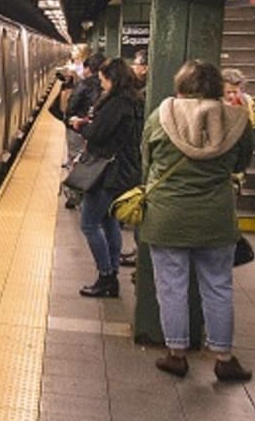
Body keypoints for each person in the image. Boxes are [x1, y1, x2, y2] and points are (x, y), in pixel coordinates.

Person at [140, 60, 254, 381]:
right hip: (216, 218)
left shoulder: (161, 116)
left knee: (171, 287)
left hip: (167, 216)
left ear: (180, 86)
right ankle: (224, 358)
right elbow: (240, 164)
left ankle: (176, 355)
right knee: (218, 287)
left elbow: (146, 160)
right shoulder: (237, 121)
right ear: (218, 87)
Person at [71, 57, 143, 297]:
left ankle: (106, 276)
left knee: (89, 224)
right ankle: (111, 275)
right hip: (123, 171)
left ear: (113, 79)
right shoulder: (134, 101)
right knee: (109, 221)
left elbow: (97, 134)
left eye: (103, 80)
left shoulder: (116, 104)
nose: (101, 84)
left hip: (107, 173)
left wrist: (80, 125)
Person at [62, 53, 106, 208]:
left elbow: (72, 106)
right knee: (90, 163)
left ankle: (74, 196)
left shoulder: (84, 84)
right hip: (95, 131)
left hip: (78, 128)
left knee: (75, 160)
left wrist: (69, 119)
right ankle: (86, 193)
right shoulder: (110, 88)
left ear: (89, 68)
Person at [120, 49, 150, 267]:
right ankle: (139, 252)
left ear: (146, 68)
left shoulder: (144, 96)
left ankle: (142, 257)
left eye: (137, 64)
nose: (134, 67)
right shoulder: (140, 92)